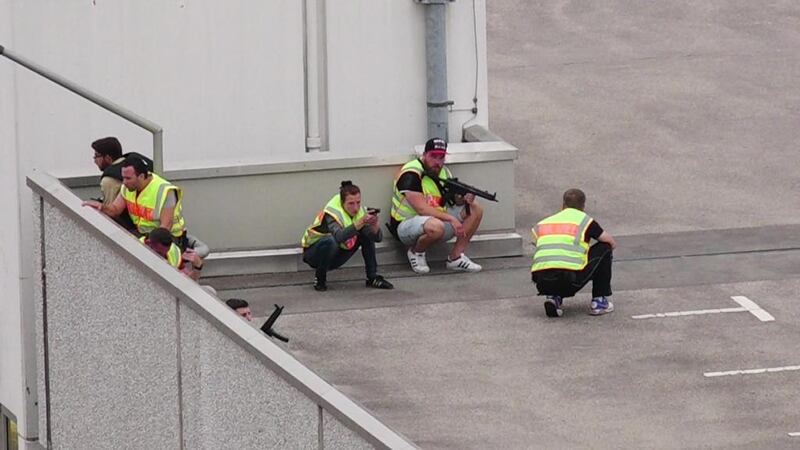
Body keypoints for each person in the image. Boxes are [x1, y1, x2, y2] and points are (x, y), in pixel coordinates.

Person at [389, 137, 483, 274]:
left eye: (441, 157)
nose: (437, 162)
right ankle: (416, 252)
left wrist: (464, 198)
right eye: (433, 156)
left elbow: (450, 200)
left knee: (476, 208)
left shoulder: (444, 172)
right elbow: (421, 208)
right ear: (424, 155)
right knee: (436, 226)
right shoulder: (411, 173)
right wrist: (451, 219)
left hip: (435, 221)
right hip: (406, 226)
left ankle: (456, 257)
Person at [531, 188, 617, 318]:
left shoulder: (543, 224)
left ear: (563, 205)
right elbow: (610, 242)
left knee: (554, 260)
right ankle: (599, 302)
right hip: (570, 281)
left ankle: (554, 298)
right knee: (605, 248)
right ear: (583, 206)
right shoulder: (585, 221)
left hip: (542, 282)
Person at [301, 181, 394, 291]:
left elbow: (377, 239)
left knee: (365, 235)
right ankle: (320, 278)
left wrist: (374, 226)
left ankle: (372, 277)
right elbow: (339, 237)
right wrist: (360, 223)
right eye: (351, 203)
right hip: (314, 255)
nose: (356, 208)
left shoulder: (360, 212)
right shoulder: (332, 213)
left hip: (337, 255)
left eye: (358, 203)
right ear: (342, 203)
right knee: (331, 241)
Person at [83, 156, 188, 249]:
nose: (124, 182)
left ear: (141, 176)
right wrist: (101, 207)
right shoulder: (127, 187)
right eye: (123, 177)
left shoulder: (165, 191)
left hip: (169, 240)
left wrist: (144, 244)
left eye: (128, 178)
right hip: (143, 235)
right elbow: (115, 210)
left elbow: (165, 227)